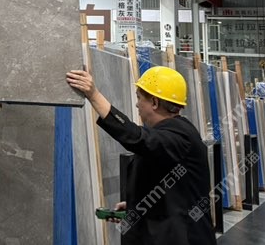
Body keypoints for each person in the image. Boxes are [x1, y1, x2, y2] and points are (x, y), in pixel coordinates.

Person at [66, 65, 216, 245]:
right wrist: (137, 206)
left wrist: (94, 95)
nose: (137, 104)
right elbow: (170, 188)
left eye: (139, 97)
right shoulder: (171, 133)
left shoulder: (180, 135)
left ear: (154, 102)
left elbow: (136, 138)